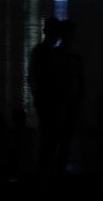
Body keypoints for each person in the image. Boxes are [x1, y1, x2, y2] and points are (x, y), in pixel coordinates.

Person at [28, 17, 61, 178]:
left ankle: (43, 171)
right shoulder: (51, 53)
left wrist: (36, 96)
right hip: (49, 101)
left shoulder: (40, 51)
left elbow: (31, 76)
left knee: (47, 136)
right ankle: (47, 171)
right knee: (50, 137)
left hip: (44, 100)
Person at [55, 20, 83, 174]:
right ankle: (60, 171)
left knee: (57, 142)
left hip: (60, 105)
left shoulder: (56, 56)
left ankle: (55, 172)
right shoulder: (74, 58)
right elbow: (80, 84)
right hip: (66, 104)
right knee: (64, 142)